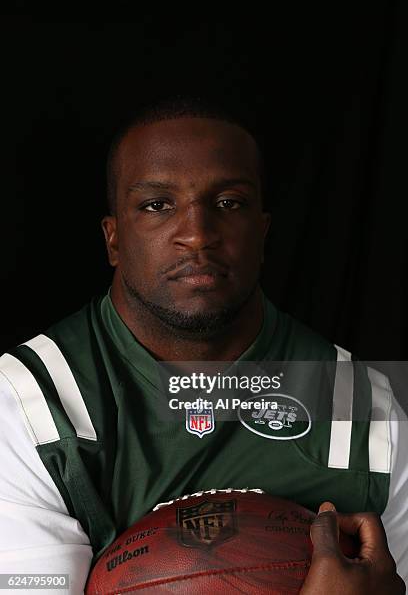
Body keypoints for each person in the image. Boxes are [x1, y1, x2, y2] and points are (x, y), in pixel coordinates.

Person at [0, 96, 406, 594]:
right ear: (113, 239)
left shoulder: (369, 412)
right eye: (157, 205)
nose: (196, 235)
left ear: (262, 231)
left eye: (228, 203)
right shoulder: (26, 403)